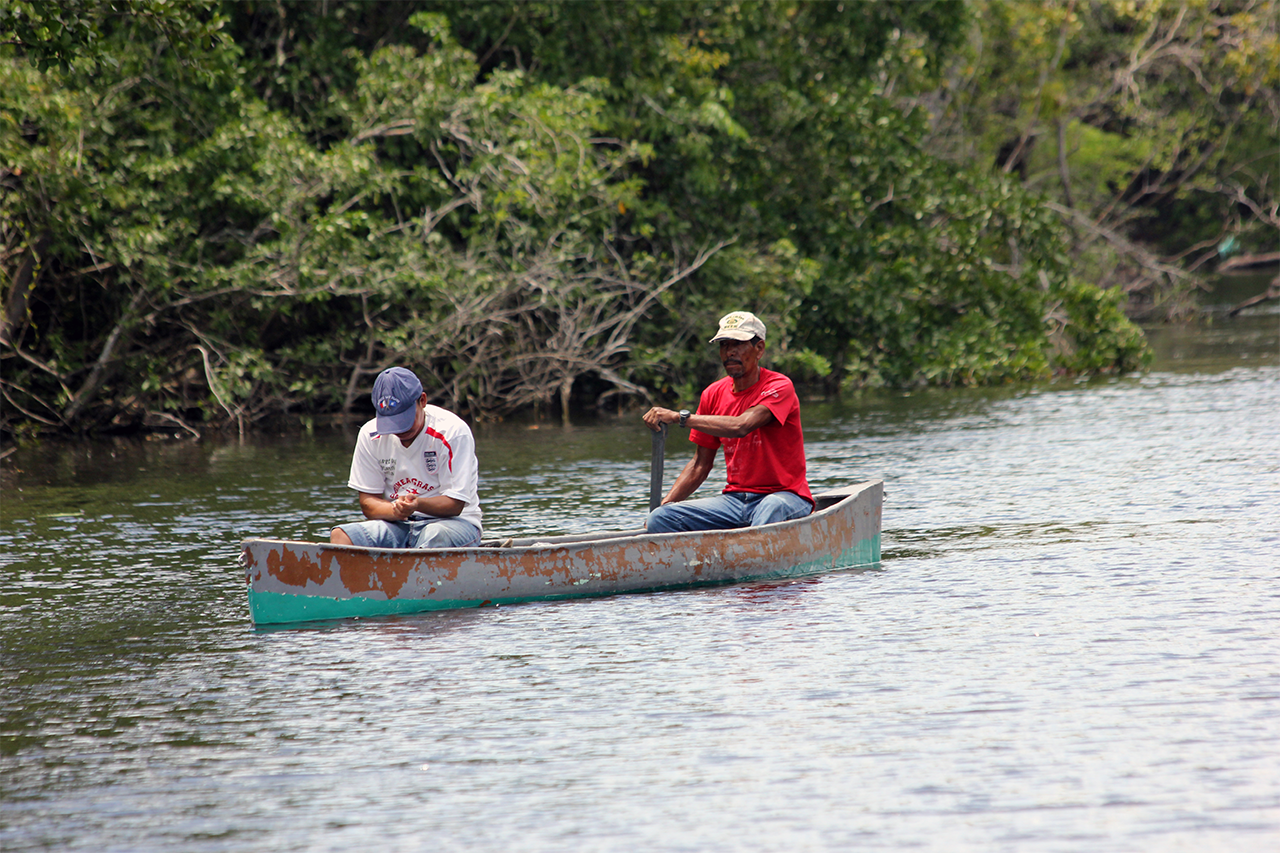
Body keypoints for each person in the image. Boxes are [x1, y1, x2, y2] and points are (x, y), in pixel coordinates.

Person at [642, 311, 813, 533]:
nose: (729, 352)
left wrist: (680, 417)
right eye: (724, 345)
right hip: (735, 502)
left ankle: (754, 559)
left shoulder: (779, 386)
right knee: (661, 518)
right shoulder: (712, 394)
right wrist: (664, 506)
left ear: (759, 349)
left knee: (771, 507)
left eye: (738, 344)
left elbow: (741, 426)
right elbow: (699, 465)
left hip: (785, 496)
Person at [331, 366, 483, 549]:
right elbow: (368, 502)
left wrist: (417, 504)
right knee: (341, 535)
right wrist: (395, 510)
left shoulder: (453, 432)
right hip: (399, 524)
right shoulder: (369, 434)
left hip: (455, 524)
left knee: (434, 535)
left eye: (405, 420)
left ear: (423, 401)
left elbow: (455, 504)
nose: (399, 430)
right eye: (391, 421)